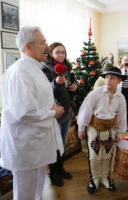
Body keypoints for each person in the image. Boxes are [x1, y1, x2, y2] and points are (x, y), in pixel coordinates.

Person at [0, 26, 65, 200]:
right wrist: (53, 113)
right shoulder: (19, 72)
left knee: (36, 191)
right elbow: (24, 112)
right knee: (24, 194)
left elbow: (39, 99)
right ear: (28, 46)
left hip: (37, 145)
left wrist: (51, 107)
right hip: (25, 147)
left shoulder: (35, 68)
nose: (47, 47)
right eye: (43, 42)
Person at [77, 66, 127, 193]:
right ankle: (94, 179)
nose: (109, 80)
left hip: (110, 130)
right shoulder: (96, 93)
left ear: (119, 81)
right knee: (94, 157)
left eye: (112, 78)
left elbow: (121, 117)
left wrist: (119, 133)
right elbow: (86, 111)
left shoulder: (120, 98)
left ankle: (105, 178)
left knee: (107, 156)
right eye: (107, 77)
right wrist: (81, 128)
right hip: (94, 130)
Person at [42, 42, 78, 186]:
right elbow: (45, 92)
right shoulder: (45, 69)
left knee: (62, 143)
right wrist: (56, 83)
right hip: (55, 114)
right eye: (58, 52)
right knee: (54, 145)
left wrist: (74, 89)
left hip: (67, 112)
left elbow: (67, 90)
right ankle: (53, 173)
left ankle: (61, 168)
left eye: (63, 52)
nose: (61, 55)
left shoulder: (66, 68)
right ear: (50, 53)